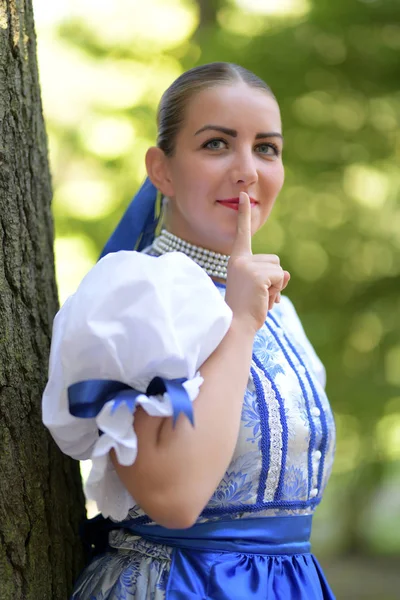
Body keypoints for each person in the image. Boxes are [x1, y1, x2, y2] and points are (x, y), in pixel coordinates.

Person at [42, 62, 336, 599]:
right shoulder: (136, 295)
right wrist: (241, 321)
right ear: (162, 170)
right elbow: (174, 499)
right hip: (179, 585)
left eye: (266, 148)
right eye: (217, 144)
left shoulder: (282, 310)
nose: (248, 170)